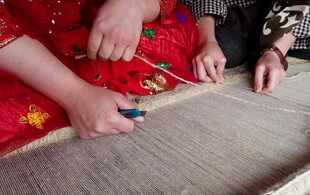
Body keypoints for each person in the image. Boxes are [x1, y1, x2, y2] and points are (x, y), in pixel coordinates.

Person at [0, 0, 199, 155]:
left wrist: (133, 6)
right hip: (17, 45)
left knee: (173, 37)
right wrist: (74, 94)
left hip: (96, 17)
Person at [183, 0, 310, 93]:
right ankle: (255, 46)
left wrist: (276, 52)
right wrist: (207, 41)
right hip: (230, 10)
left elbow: (308, 3)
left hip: (280, 9)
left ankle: (263, 49)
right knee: (228, 50)